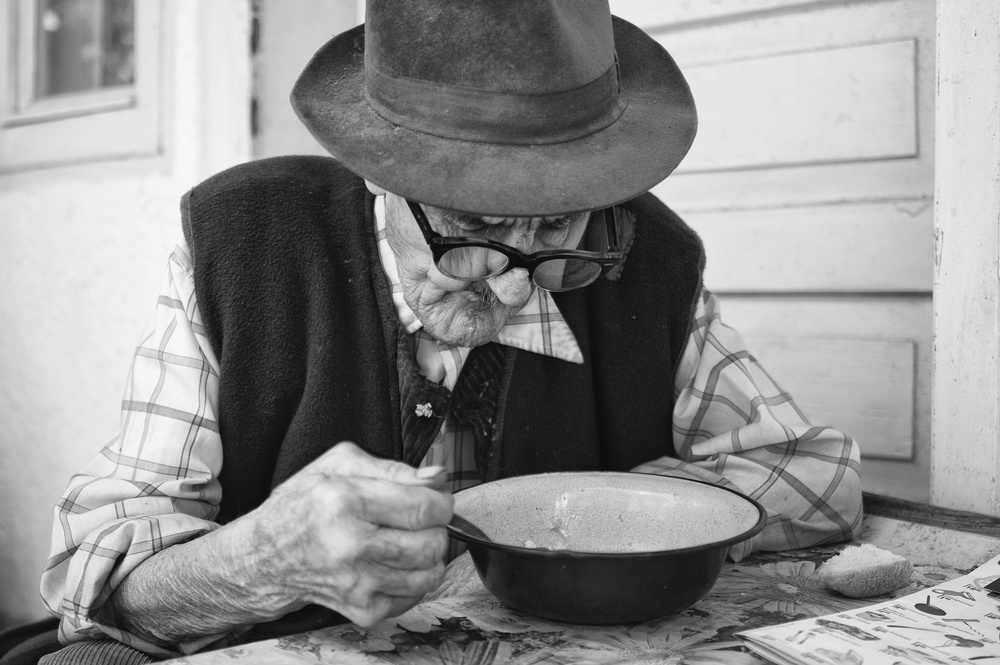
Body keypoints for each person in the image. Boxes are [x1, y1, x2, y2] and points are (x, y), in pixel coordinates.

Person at [36, 0, 863, 662]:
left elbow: (821, 477)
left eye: (553, 232)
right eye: (471, 227)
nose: (510, 282)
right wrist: (258, 559)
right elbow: (92, 570)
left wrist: (623, 508)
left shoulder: (643, 256)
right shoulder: (238, 246)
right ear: (377, 175)